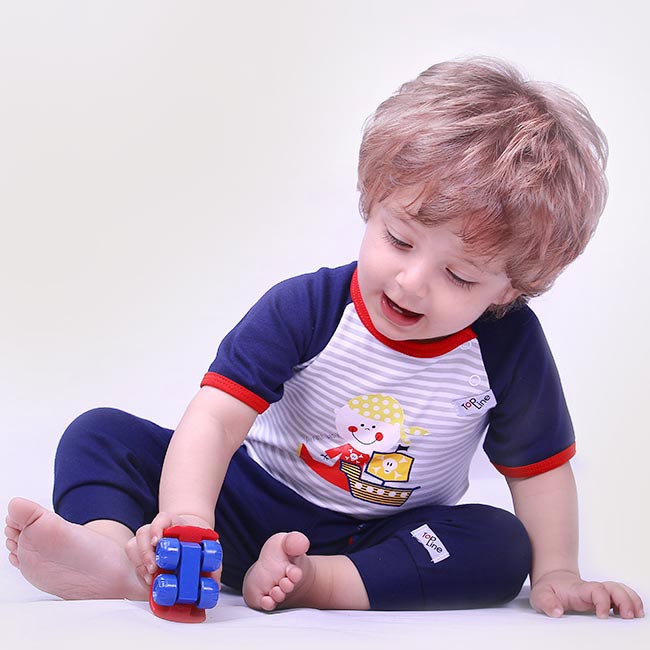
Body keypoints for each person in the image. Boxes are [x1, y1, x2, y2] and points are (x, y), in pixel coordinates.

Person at [5, 56, 644, 618]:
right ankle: (117, 554)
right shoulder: (308, 307)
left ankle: (318, 583)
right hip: (244, 500)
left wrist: (557, 572)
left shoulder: (508, 346)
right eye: (399, 240)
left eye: (459, 275)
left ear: (510, 288)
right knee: (100, 435)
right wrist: (189, 521)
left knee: (502, 545)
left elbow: (540, 470)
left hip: (385, 537)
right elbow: (217, 421)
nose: (413, 281)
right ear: (373, 201)